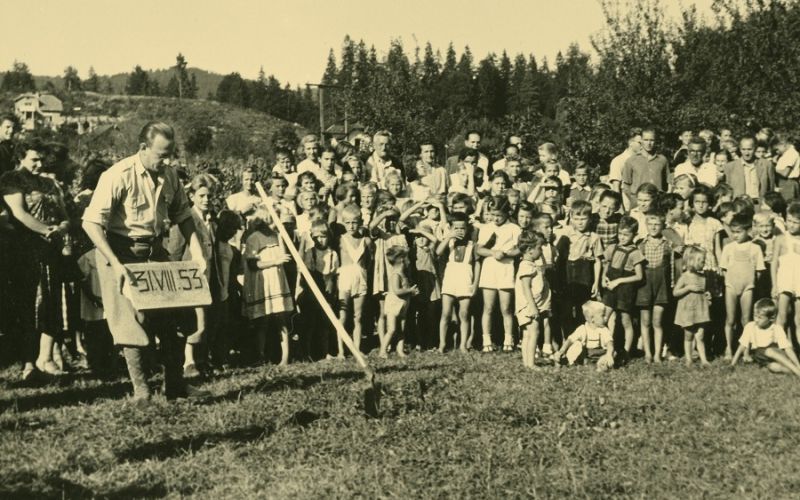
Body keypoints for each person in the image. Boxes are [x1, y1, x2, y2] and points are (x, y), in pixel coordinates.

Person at [82, 122, 204, 401]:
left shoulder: (170, 175)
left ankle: (174, 386)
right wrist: (115, 263)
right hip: (119, 252)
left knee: (173, 316)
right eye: (162, 154)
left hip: (154, 251)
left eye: (171, 153)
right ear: (143, 149)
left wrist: (196, 251)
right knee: (130, 323)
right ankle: (142, 391)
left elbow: (183, 215)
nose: (169, 160)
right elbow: (91, 224)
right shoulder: (118, 175)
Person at [1, 139, 70, 380]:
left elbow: (63, 213)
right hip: (22, 250)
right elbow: (19, 214)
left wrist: (61, 227)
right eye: (34, 160)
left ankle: (46, 357)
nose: (39, 164)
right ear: (21, 158)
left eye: (41, 159)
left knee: (50, 302)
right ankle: (28, 362)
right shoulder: (12, 179)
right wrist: (46, 230)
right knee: (27, 305)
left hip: (50, 250)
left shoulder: (49, 182)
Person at [167, 173, 221, 378]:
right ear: (192, 196)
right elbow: (174, 251)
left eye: (209, 195)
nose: (206, 199)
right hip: (189, 280)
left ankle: (201, 360)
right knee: (192, 321)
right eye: (202, 196)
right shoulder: (186, 220)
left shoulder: (212, 220)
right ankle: (188, 362)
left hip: (208, 279)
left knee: (207, 320)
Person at [243, 207, 293, 366]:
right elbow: (253, 264)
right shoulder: (254, 238)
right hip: (263, 281)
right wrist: (274, 262)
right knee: (262, 321)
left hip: (278, 282)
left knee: (281, 319)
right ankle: (261, 355)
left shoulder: (278, 236)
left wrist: (282, 238)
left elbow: (285, 258)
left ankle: (285, 357)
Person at [476, 196, 521, 352]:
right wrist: (493, 252)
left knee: (506, 308)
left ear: (507, 213)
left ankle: (509, 339)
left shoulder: (514, 228)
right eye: (493, 214)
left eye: (499, 215)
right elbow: (479, 249)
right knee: (488, 307)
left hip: (506, 269)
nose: (495, 218)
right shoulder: (486, 228)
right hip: (489, 269)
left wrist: (507, 253)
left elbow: (519, 248)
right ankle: (486, 340)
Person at [719, 213, 764, 359]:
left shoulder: (755, 248)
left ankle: (746, 351)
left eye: (739, 232)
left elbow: (759, 271)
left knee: (746, 320)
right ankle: (728, 348)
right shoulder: (728, 248)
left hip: (748, 287)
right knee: (730, 319)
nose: (735, 235)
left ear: (748, 231)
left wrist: (751, 284)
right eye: (733, 232)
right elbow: (724, 269)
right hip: (731, 286)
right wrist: (729, 284)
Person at [601, 217, 645, 358]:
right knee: (604, 317)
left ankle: (626, 351)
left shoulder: (635, 253)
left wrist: (619, 281)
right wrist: (603, 278)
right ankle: (607, 348)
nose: (622, 237)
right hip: (611, 287)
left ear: (634, 235)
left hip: (625, 289)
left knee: (625, 320)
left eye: (626, 235)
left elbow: (639, 276)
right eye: (620, 234)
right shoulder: (612, 247)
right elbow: (606, 264)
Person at [437, 212, 480, 352]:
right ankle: (442, 344)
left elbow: (477, 264)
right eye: (456, 228)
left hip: (465, 279)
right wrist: (448, 236)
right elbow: (438, 252)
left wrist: (475, 283)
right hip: (450, 279)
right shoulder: (448, 242)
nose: (460, 231)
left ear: (467, 228)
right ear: (450, 228)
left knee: (464, 313)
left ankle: (463, 345)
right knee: (445, 313)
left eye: (463, 228)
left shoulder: (472, 244)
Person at [636, 212, 674, 363]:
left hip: (661, 285)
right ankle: (647, 354)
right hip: (644, 285)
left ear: (663, 226)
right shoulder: (641, 244)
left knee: (657, 321)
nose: (653, 227)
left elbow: (671, 267)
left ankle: (658, 354)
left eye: (657, 224)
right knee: (645, 321)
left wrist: (672, 283)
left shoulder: (668, 245)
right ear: (646, 226)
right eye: (650, 224)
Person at [731, 298, 800, 377]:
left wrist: (798, 365)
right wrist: (732, 364)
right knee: (773, 367)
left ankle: (798, 371)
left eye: (760, 317)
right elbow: (742, 346)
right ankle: (794, 371)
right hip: (761, 356)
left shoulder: (776, 328)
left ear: (771, 318)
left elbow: (787, 348)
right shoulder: (750, 326)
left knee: (769, 351)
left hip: (776, 352)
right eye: (754, 315)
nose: (756, 320)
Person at [337, 203, 371, 357]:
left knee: (359, 316)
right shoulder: (340, 239)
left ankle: (357, 349)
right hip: (345, 278)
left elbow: (369, 261)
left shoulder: (366, 240)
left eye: (354, 222)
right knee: (343, 315)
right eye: (347, 222)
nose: (351, 226)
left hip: (360, 277)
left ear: (360, 222)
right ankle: (341, 351)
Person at [515, 230, 550, 369]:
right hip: (528, 305)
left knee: (527, 334)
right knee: (533, 332)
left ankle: (527, 363)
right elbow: (526, 288)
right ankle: (531, 363)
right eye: (539, 248)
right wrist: (533, 306)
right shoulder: (526, 266)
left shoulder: (531, 264)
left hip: (529, 305)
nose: (541, 251)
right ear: (530, 250)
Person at [673, 245, 712, 367]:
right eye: (701, 260)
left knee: (700, 335)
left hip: (700, 310)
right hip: (688, 311)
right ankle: (688, 358)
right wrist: (688, 288)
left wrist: (707, 294)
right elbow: (675, 292)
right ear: (691, 261)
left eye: (704, 260)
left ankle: (704, 359)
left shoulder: (702, 277)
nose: (703, 263)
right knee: (689, 335)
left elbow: (703, 291)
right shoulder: (685, 277)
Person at [553, 300, 615, 372]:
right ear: (592, 319)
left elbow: (610, 343)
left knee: (607, 359)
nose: (606, 318)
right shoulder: (583, 329)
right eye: (603, 315)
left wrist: (609, 354)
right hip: (586, 356)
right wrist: (562, 351)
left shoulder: (604, 330)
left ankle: (599, 366)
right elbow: (570, 340)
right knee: (576, 344)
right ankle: (565, 361)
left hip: (600, 356)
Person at [381, 245, 419, 358]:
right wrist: (410, 290)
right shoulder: (395, 275)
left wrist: (411, 292)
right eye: (407, 258)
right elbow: (397, 291)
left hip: (402, 306)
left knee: (401, 329)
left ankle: (400, 350)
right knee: (392, 329)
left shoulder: (404, 274)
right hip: (394, 306)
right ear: (402, 260)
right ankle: (383, 350)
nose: (409, 261)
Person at [772, 201, 800, 344]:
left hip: (799, 282)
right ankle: (780, 348)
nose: (791, 225)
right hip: (784, 281)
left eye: (796, 222)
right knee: (781, 316)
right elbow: (774, 263)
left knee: (798, 320)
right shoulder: (781, 238)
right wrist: (774, 285)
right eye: (789, 221)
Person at [621, 127, 669, 206]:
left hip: (657, 204)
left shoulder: (662, 160)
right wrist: (634, 200)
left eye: (652, 140)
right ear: (641, 141)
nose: (649, 143)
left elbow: (667, 184)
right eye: (646, 140)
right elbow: (626, 186)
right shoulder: (631, 160)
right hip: (638, 204)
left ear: (656, 141)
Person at [723, 136, 775, 201]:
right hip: (739, 206)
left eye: (749, 149)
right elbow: (727, 192)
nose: (746, 153)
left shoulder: (767, 165)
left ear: (755, 148)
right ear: (739, 149)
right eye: (743, 149)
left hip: (760, 204)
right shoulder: (730, 167)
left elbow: (771, 190)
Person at [608, 127, 642, 207]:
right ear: (630, 143)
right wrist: (620, 209)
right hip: (626, 204)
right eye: (640, 143)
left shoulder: (643, 160)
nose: (643, 146)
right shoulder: (618, 161)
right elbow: (616, 189)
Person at [773, 133, 800, 201]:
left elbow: (785, 173)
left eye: (777, 149)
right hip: (785, 183)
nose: (776, 151)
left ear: (783, 144)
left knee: (788, 206)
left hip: (788, 184)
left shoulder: (791, 153)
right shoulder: (786, 154)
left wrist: (773, 168)